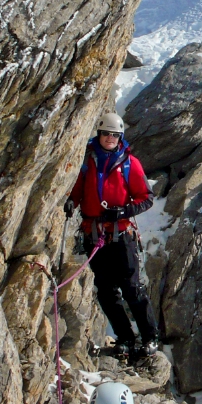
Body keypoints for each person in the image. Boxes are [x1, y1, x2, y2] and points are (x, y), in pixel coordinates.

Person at [67, 112, 158, 362]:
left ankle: (150, 337)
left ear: (120, 138)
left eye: (114, 135)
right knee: (107, 291)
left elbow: (146, 198)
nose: (109, 138)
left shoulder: (129, 163)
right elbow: (77, 189)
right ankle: (126, 338)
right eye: (106, 133)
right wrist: (70, 202)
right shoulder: (88, 160)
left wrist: (124, 211)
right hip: (95, 233)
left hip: (121, 232)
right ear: (99, 134)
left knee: (132, 288)